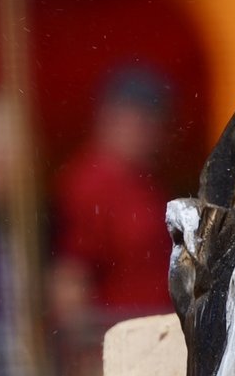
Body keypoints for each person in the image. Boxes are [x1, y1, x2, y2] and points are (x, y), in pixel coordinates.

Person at [49, 64, 177, 327]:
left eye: (154, 120)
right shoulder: (90, 183)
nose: (149, 131)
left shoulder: (148, 182)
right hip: (116, 345)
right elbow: (71, 279)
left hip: (153, 340)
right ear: (107, 118)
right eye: (138, 119)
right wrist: (86, 356)